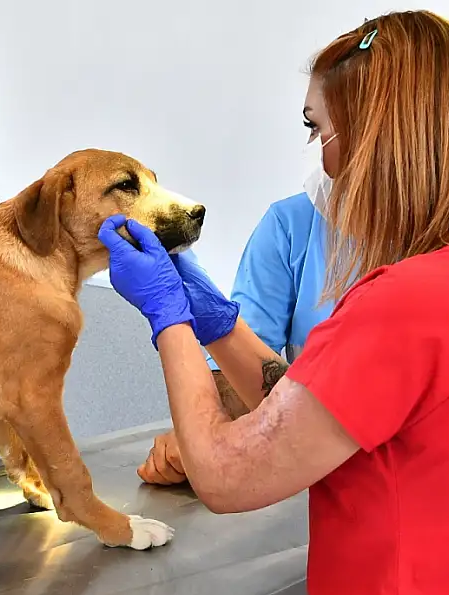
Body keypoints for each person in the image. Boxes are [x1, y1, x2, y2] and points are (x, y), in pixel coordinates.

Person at [99, 11, 449, 595]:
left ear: (374, 136)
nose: (317, 161)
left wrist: (169, 320)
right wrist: (217, 323)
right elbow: (304, 412)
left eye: (315, 128)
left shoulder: (405, 301)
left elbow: (222, 474)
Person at [136, 170, 334, 485]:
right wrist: (210, 426)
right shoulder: (292, 226)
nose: (323, 155)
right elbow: (250, 385)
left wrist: (171, 320)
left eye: (317, 127)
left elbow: (222, 492)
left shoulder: (425, 270)